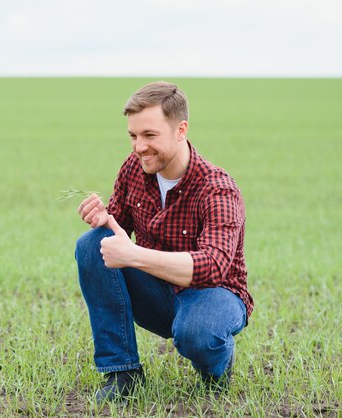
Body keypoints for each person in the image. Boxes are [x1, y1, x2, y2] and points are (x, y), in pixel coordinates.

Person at [75, 81, 253, 404]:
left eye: (149, 135)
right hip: (158, 294)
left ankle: (218, 366)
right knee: (91, 245)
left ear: (180, 129)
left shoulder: (218, 188)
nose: (138, 146)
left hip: (214, 296)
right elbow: (116, 227)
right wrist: (102, 217)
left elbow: (212, 266)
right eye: (133, 136)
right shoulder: (134, 169)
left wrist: (134, 255)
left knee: (197, 333)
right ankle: (123, 373)